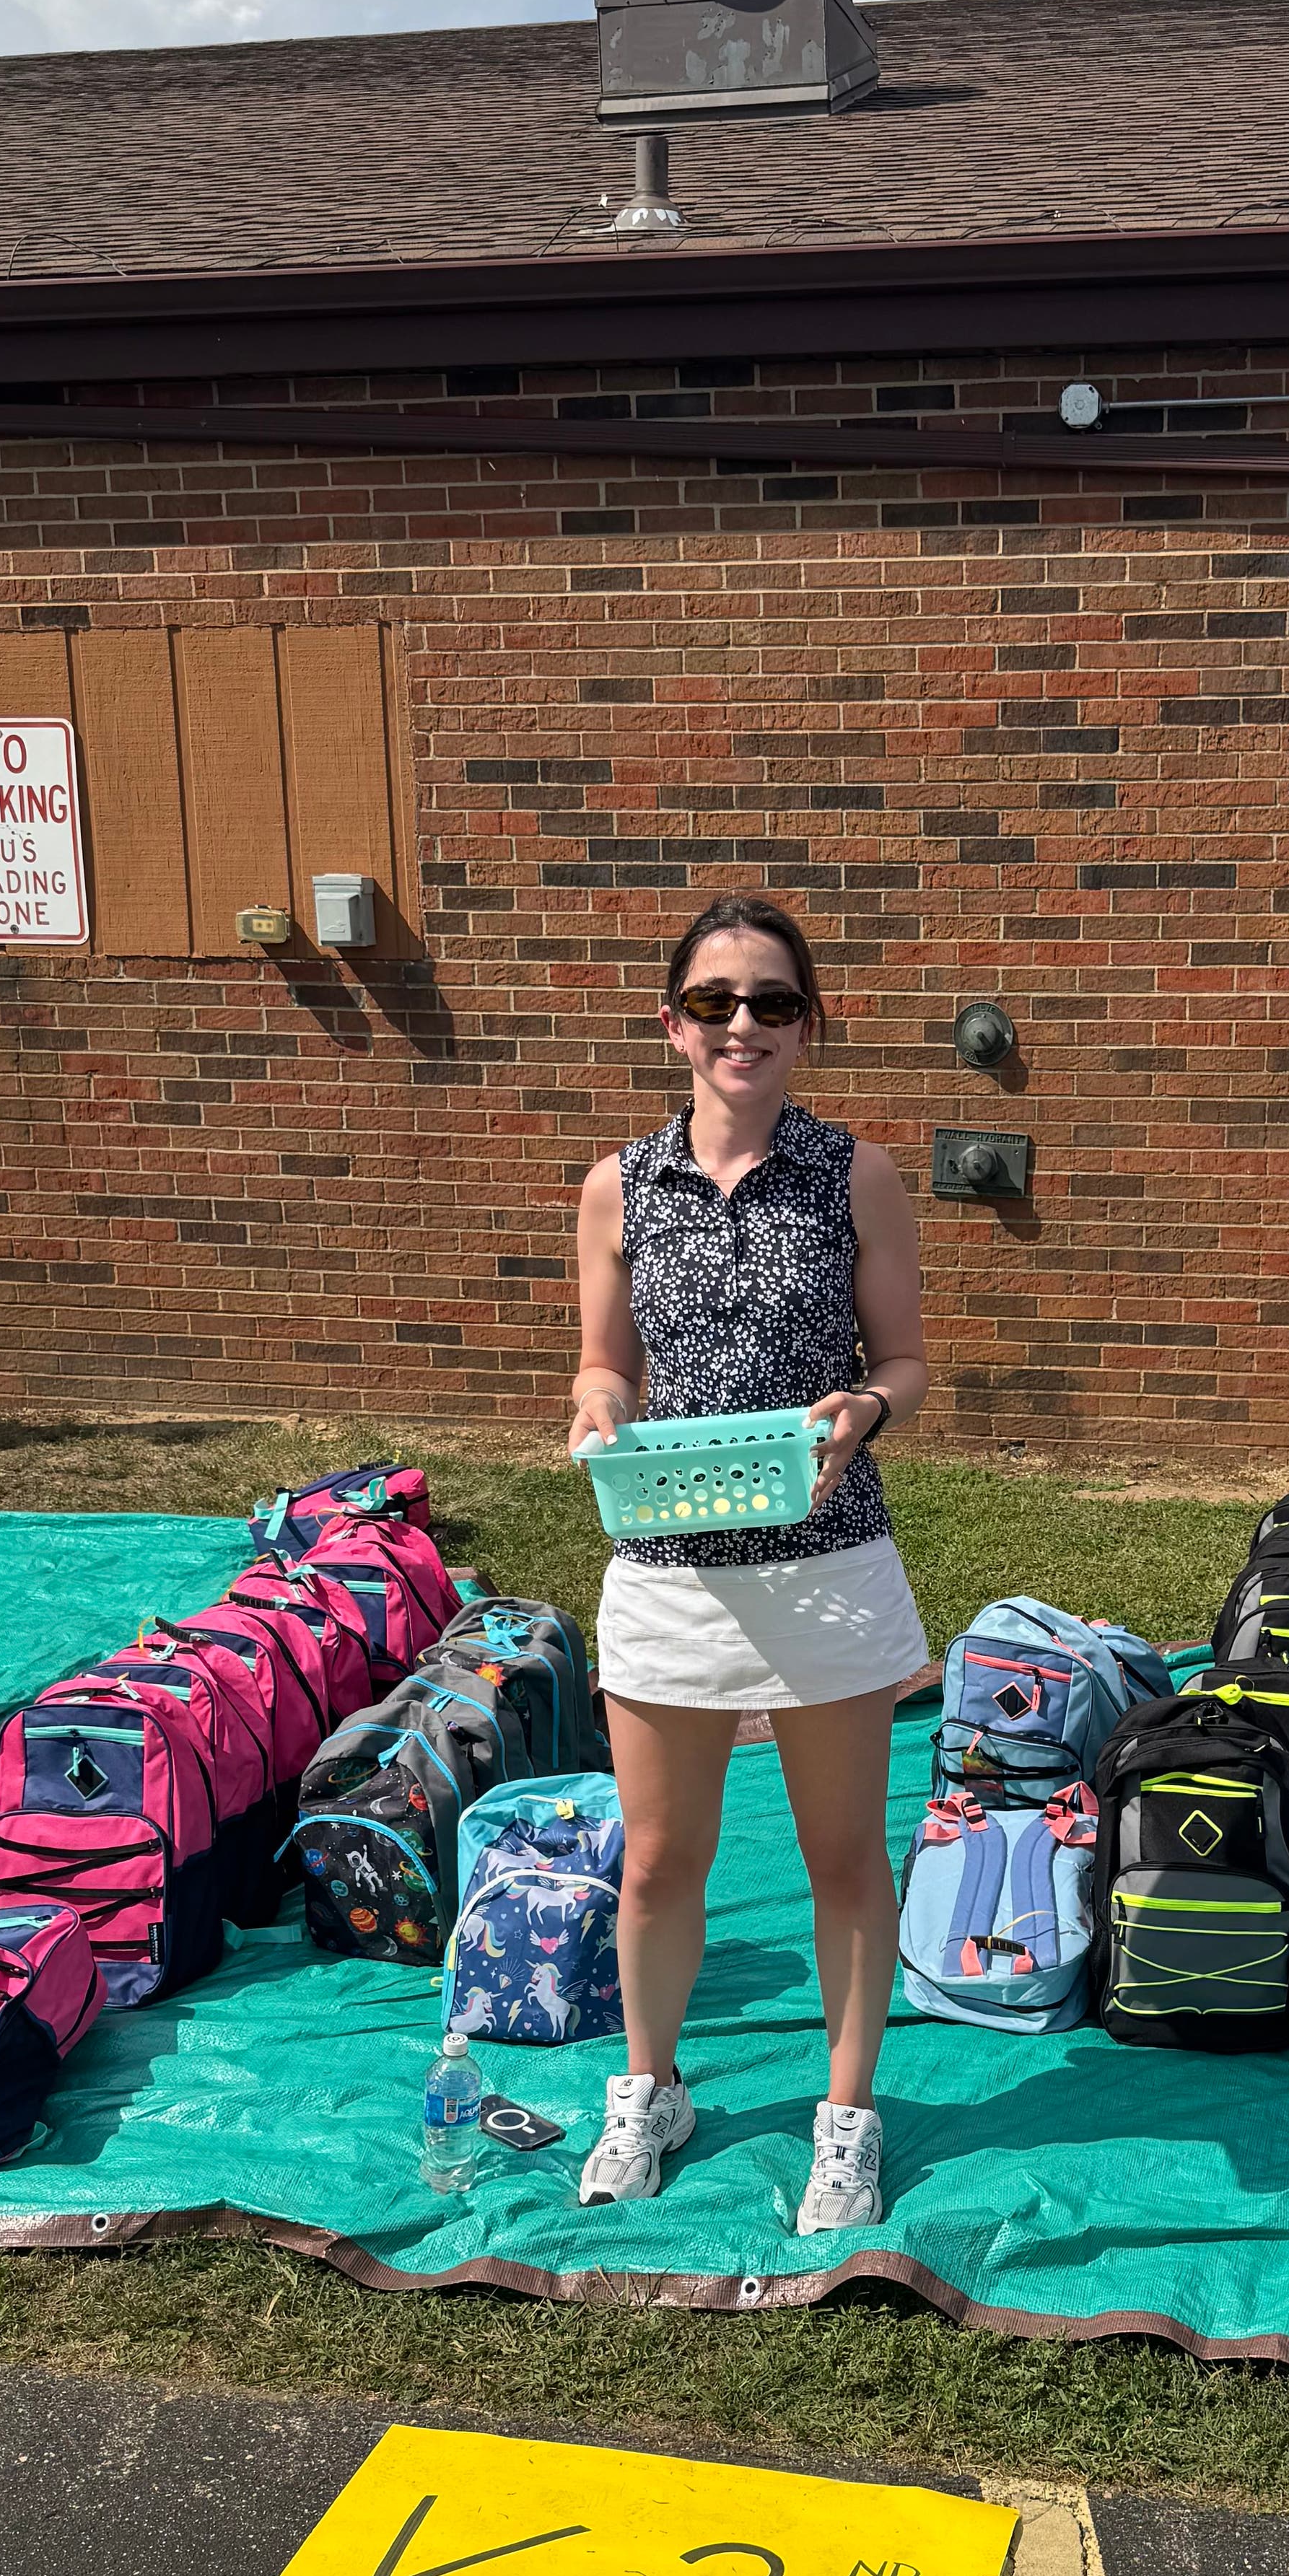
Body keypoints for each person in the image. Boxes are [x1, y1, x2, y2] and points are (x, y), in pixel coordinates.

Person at [568, 895, 928, 2229]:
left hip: (825, 1562)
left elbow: (903, 1359)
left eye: (772, 1003)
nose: (743, 1026)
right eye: (715, 1002)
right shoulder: (619, 1186)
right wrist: (599, 1405)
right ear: (673, 1023)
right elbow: (606, 1358)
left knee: (844, 1856)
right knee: (660, 1861)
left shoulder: (857, 1175)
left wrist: (870, 1408)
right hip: (668, 1562)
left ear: (807, 1027)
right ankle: (651, 2089)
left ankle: (846, 2117)